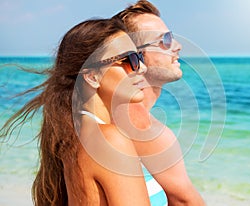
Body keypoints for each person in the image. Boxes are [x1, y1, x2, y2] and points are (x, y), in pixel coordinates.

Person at [0, 17, 163, 205]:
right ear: (92, 77)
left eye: (140, 57)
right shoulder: (109, 140)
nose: (141, 68)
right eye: (129, 60)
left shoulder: (77, 137)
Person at [113, 1, 206, 205]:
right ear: (134, 56)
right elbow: (185, 202)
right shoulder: (143, 127)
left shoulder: (109, 116)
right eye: (165, 40)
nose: (177, 46)